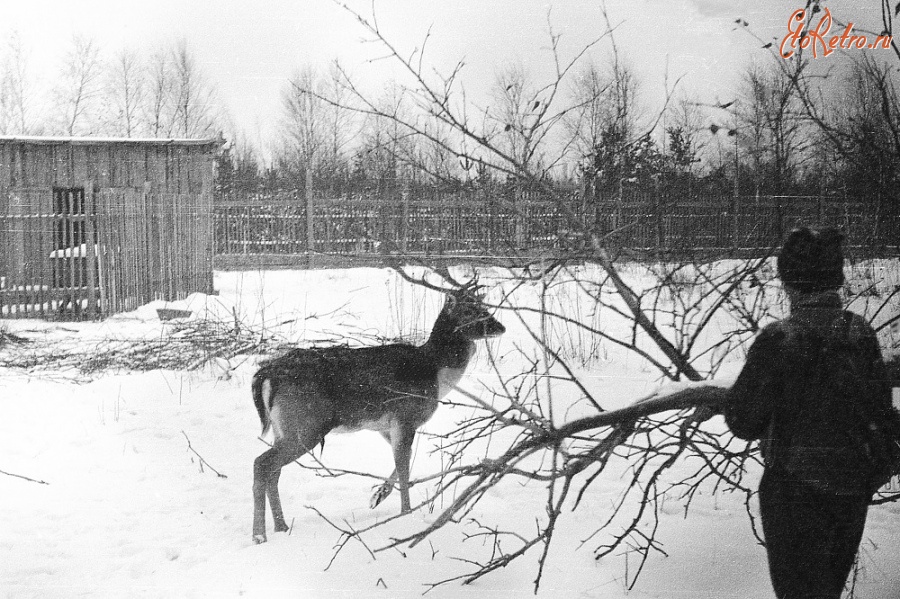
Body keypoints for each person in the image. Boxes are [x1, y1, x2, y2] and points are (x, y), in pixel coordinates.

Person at [722, 227, 897, 599]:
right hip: (850, 490)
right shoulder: (859, 333)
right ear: (835, 283)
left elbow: (744, 422)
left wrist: (731, 398)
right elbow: (882, 413)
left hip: (792, 492)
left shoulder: (778, 339)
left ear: (792, 285)